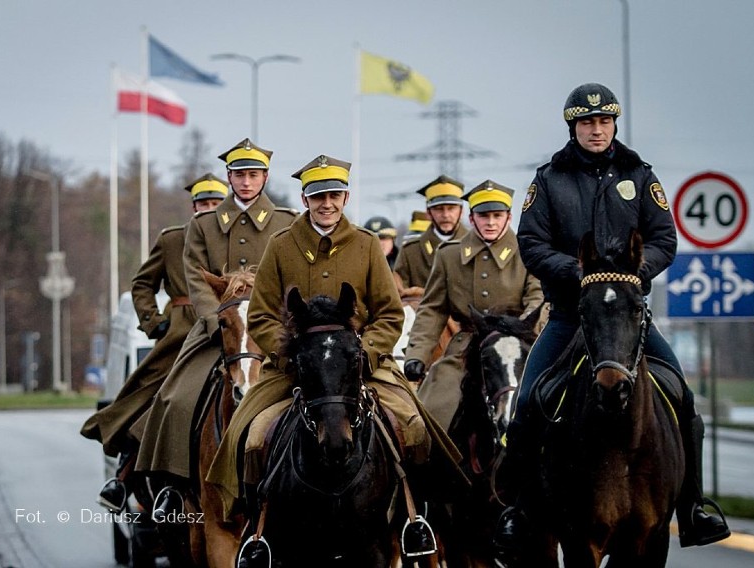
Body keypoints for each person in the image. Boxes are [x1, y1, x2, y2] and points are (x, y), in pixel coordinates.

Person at [494, 82, 730, 552]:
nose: (596, 130)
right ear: (573, 127)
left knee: (684, 402)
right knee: (525, 407)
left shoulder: (639, 175)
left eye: (604, 122)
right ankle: (517, 514)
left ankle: (694, 507)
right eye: (587, 123)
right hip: (569, 317)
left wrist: (634, 273)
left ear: (614, 125)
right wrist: (579, 272)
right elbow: (531, 243)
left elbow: (665, 237)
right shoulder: (548, 180)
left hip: (629, 318)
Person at [206, 154, 466, 557]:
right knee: (249, 435)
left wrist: (365, 353)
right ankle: (255, 529)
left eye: (334, 195)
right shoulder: (281, 245)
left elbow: (389, 313)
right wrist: (291, 352)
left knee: (414, 425)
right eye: (317, 196)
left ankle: (415, 520)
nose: (326, 203)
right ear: (305, 198)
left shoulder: (365, 244)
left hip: (357, 364)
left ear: (345, 197)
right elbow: (259, 314)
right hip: (293, 367)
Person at [133, 139, 297, 521]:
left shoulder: (287, 222)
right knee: (175, 398)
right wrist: (214, 321)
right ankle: (174, 487)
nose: (246, 182)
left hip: (271, 330)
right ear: (229, 177)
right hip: (218, 328)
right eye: (239, 175)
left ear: (265, 178)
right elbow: (194, 276)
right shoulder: (203, 225)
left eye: (253, 175)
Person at [80, 172, 228, 512]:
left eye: (215, 204)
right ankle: (123, 479)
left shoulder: (238, 239)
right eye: (203, 204)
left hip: (228, 329)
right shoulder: (172, 239)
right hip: (181, 333)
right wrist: (155, 322)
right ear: (193, 207)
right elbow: (142, 284)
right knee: (153, 397)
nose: (209, 209)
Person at [404, 180, 543, 431]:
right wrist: (417, 355)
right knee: (434, 407)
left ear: (509, 217)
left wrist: (521, 328)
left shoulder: (527, 252)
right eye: (483, 215)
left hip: (515, 346)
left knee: (544, 404)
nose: (490, 222)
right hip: (466, 348)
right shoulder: (449, 255)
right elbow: (433, 309)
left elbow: (538, 299)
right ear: (471, 218)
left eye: (497, 215)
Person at [393, 175, 468, 292]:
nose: (446, 215)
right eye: (439, 209)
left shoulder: (476, 246)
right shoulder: (411, 252)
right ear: (428, 213)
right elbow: (399, 294)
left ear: (462, 211)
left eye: (451, 208)